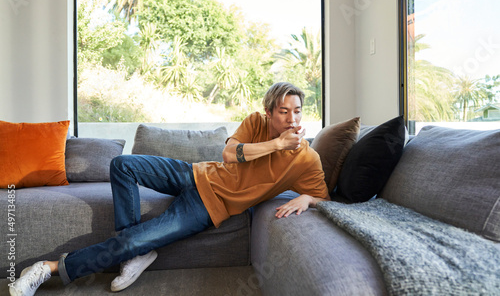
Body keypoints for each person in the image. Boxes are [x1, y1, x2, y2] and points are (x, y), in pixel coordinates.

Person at [9, 82, 330, 296]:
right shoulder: (256, 124)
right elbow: (229, 155)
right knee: (123, 164)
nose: (292, 119)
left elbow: (325, 195)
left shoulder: (305, 159)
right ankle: (136, 251)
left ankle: (48, 268)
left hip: (209, 206)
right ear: (270, 112)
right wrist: (274, 144)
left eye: (297, 111)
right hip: (195, 174)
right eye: (284, 111)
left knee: (132, 239)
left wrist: (306, 196)